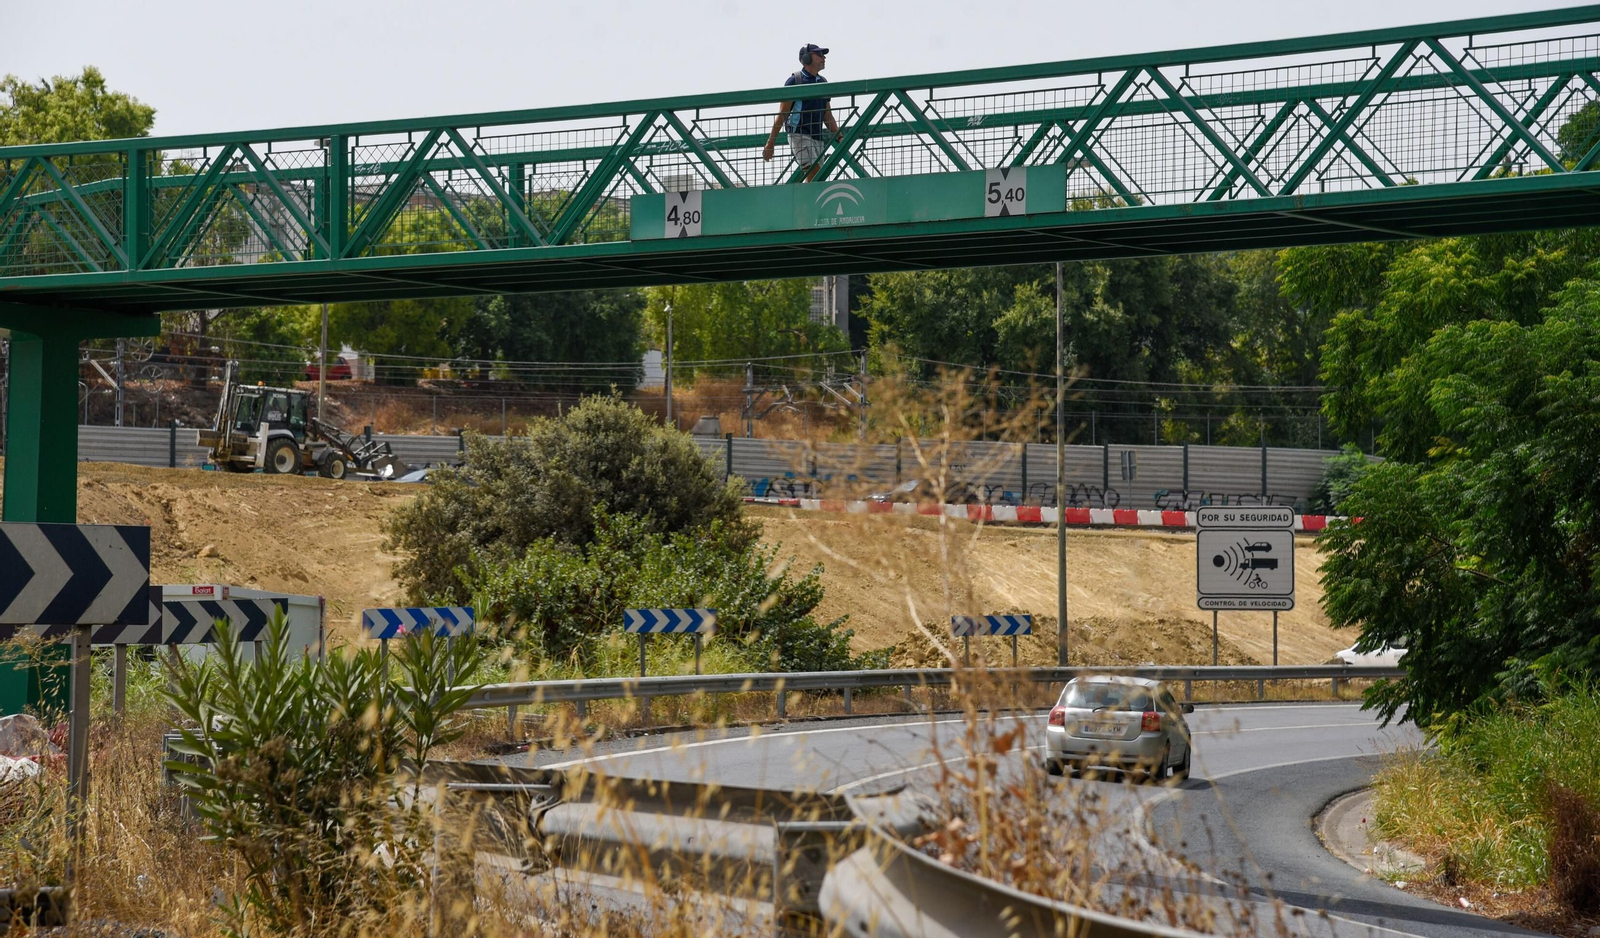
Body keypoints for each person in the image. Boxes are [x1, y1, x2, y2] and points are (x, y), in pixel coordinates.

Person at [763, 43, 839, 182]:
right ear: (806, 58)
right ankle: (805, 203)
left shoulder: (823, 82)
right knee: (815, 173)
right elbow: (782, 114)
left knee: (816, 180)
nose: (824, 57)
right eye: (819, 54)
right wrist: (770, 143)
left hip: (817, 138)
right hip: (799, 135)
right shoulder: (795, 81)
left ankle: (803, 203)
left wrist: (840, 137)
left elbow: (827, 115)